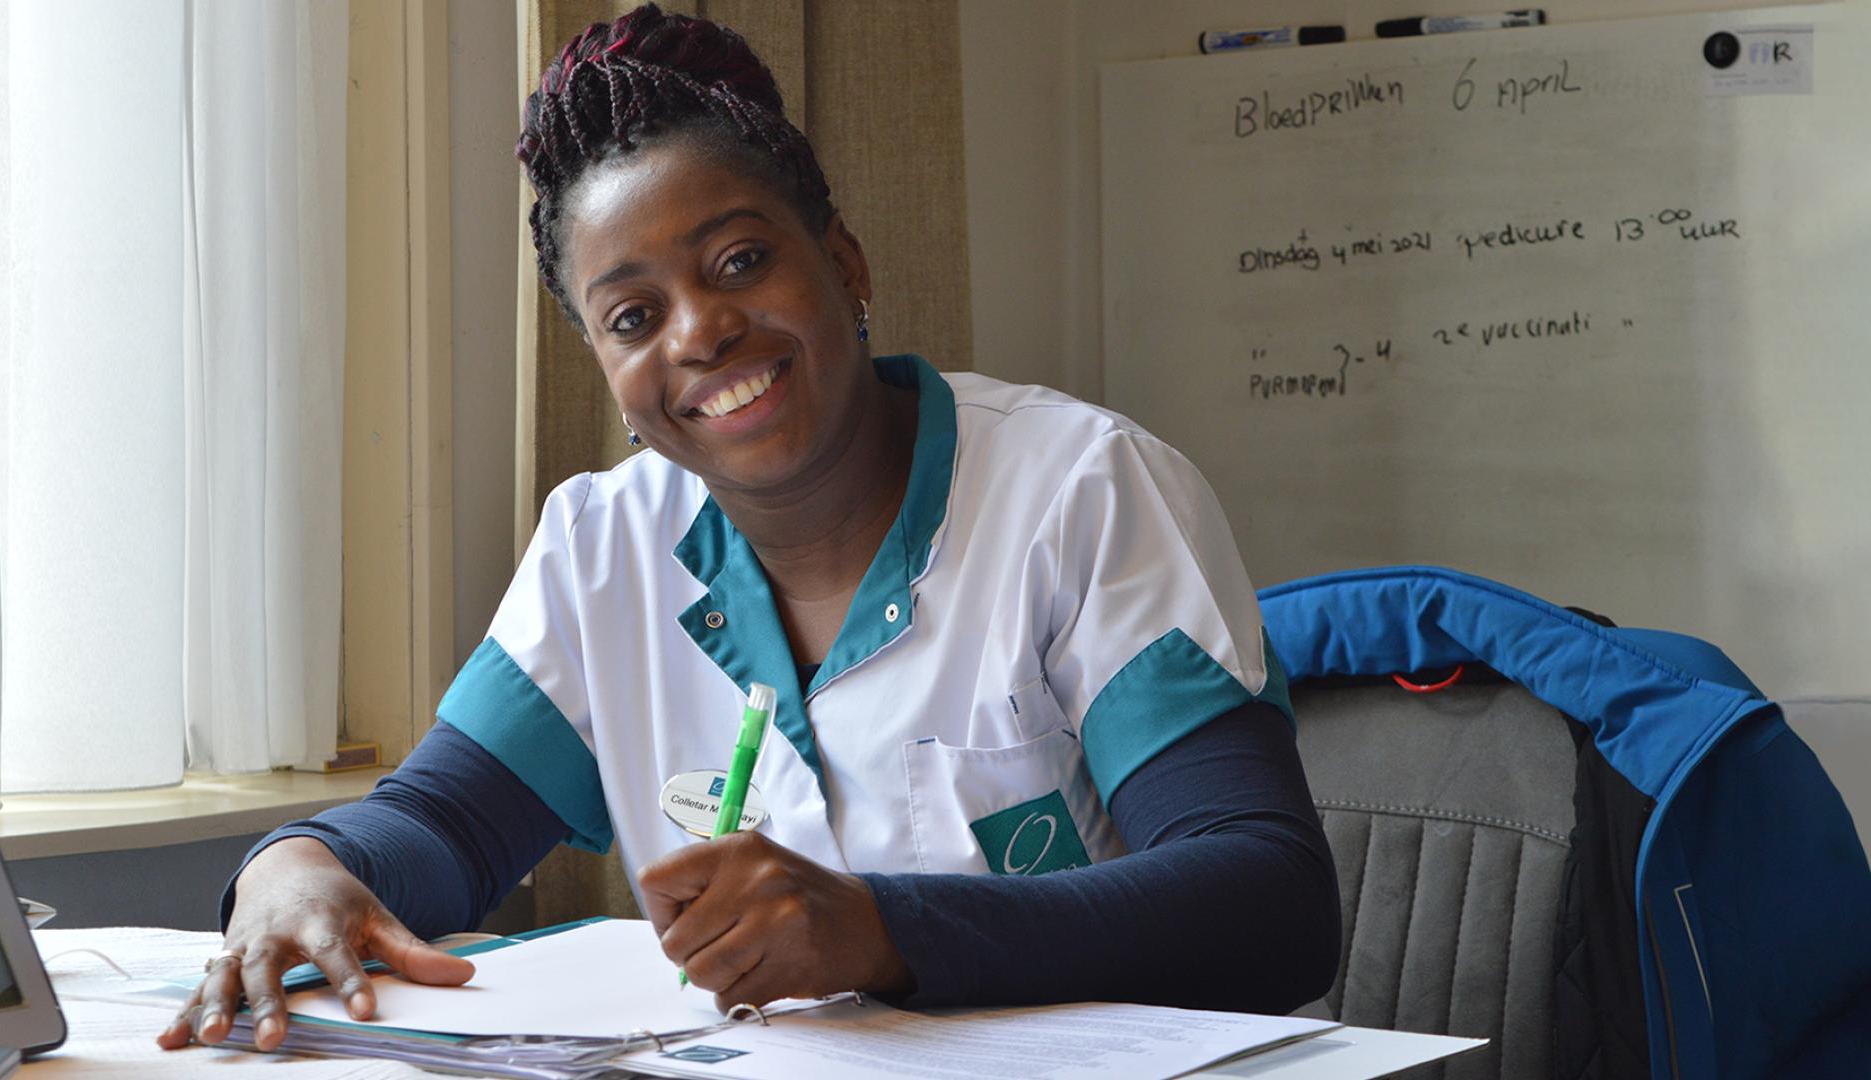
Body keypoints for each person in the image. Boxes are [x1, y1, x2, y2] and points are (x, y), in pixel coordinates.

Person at [159, 4, 1339, 1055]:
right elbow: (444, 822)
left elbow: (1270, 903)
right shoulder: (601, 548)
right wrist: (297, 867)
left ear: (843, 262)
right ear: (609, 369)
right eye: (633, 314)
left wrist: (880, 930)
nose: (700, 333)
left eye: (741, 260)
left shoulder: (1082, 490)